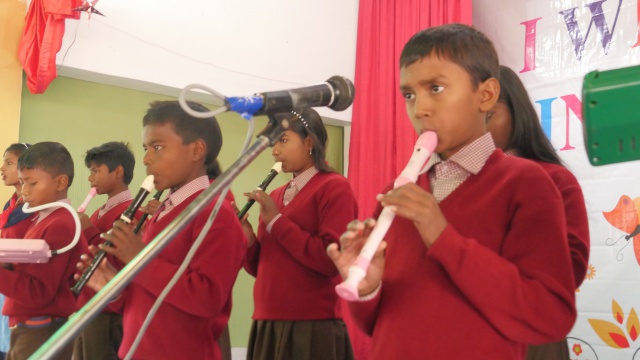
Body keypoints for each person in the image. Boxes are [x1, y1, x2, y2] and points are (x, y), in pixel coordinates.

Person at [327, 24, 577, 359]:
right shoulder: (399, 192)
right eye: (409, 94)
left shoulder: (527, 184)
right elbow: (377, 325)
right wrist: (368, 287)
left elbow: (549, 316)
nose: (420, 109)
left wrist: (441, 235)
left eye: (436, 88)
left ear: (486, 95)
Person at [76, 100, 246, 360]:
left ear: (197, 150)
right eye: (146, 148)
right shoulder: (162, 212)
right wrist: (114, 287)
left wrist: (139, 258)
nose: (146, 158)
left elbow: (206, 299)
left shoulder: (216, 214)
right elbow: (147, 296)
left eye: (158, 147)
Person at [486, 65, 590, 360]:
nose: (478, 129)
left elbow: (572, 268)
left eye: (490, 115)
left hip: (532, 338)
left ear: (517, 113)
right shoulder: (449, 182)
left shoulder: (555, 180)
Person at [238, 108, 358, 360]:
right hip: (267, 319)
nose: (274, 150)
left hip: (311, 325)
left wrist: (277, 221)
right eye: (274, 143)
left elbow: (330, 261)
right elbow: (262, 268)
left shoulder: (335, 187)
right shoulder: (276, 194)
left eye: (283, 140)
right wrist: (248, 238)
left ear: (308, 142)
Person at [0, 141, 88, 360]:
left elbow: (39, 292)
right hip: (28, 326)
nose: (25, 190)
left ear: (60, 182)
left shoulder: (60, 223)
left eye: (32, 183)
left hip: (39, 329)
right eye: (22, 182)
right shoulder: (43, 218)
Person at [73, 141, 137, 360]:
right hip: (88, 304)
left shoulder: (131, 213)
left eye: (96, 171)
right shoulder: (99, 211)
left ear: (118, 171)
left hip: (108, 310)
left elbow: (118, 259)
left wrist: (89, 230)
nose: (91, 178)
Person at [0, 143, 33, 360]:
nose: (2, 168)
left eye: (9, 162)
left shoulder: (34, 209)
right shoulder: (9, 206)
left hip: (16, 289)